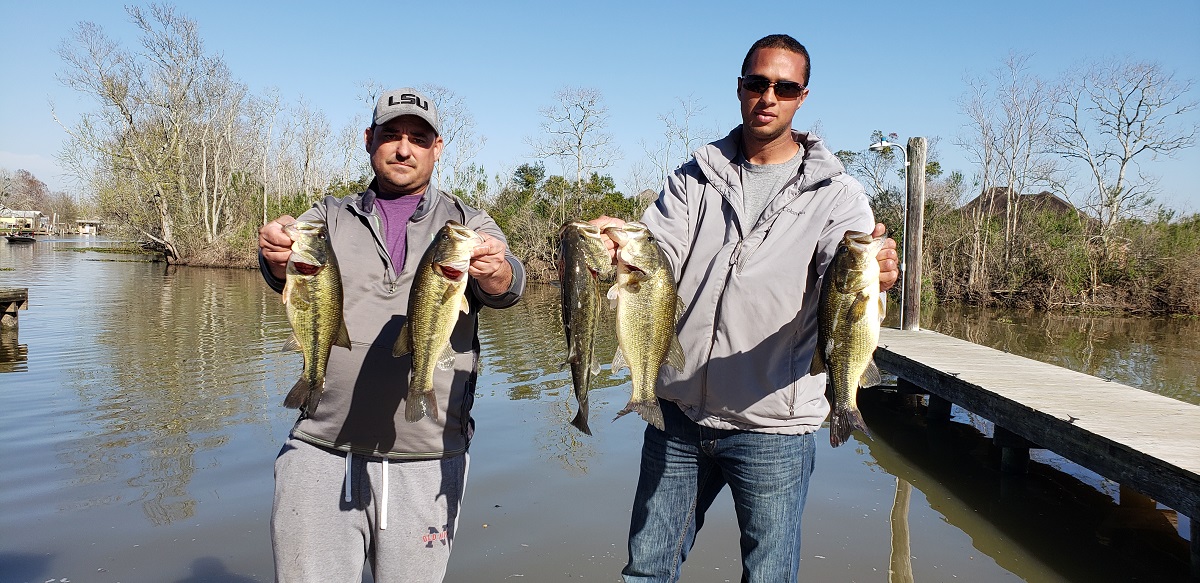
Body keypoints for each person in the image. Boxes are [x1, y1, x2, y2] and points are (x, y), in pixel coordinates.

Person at [592, 35, 900, 582]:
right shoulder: (692, 177)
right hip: (678, 415)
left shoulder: (838, 194)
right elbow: (659, 255)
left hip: (774, 426)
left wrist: (872, 271)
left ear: (802, 97)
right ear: (740, 88)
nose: (769, 97)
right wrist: (616, 247)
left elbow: (838, 265)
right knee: (646, 571)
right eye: (758, 83)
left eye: (785, 87)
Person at [257, 87, 526, 582]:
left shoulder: (468, 224)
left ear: (437, 148)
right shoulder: (327, 216)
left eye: (418, 139)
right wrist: (276, 253)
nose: (404, 149)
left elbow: (509, 284)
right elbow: (287, 268)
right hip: (320, 449)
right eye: (392, 135)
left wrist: (496, 272)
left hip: (427, 457)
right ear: (369, 140)